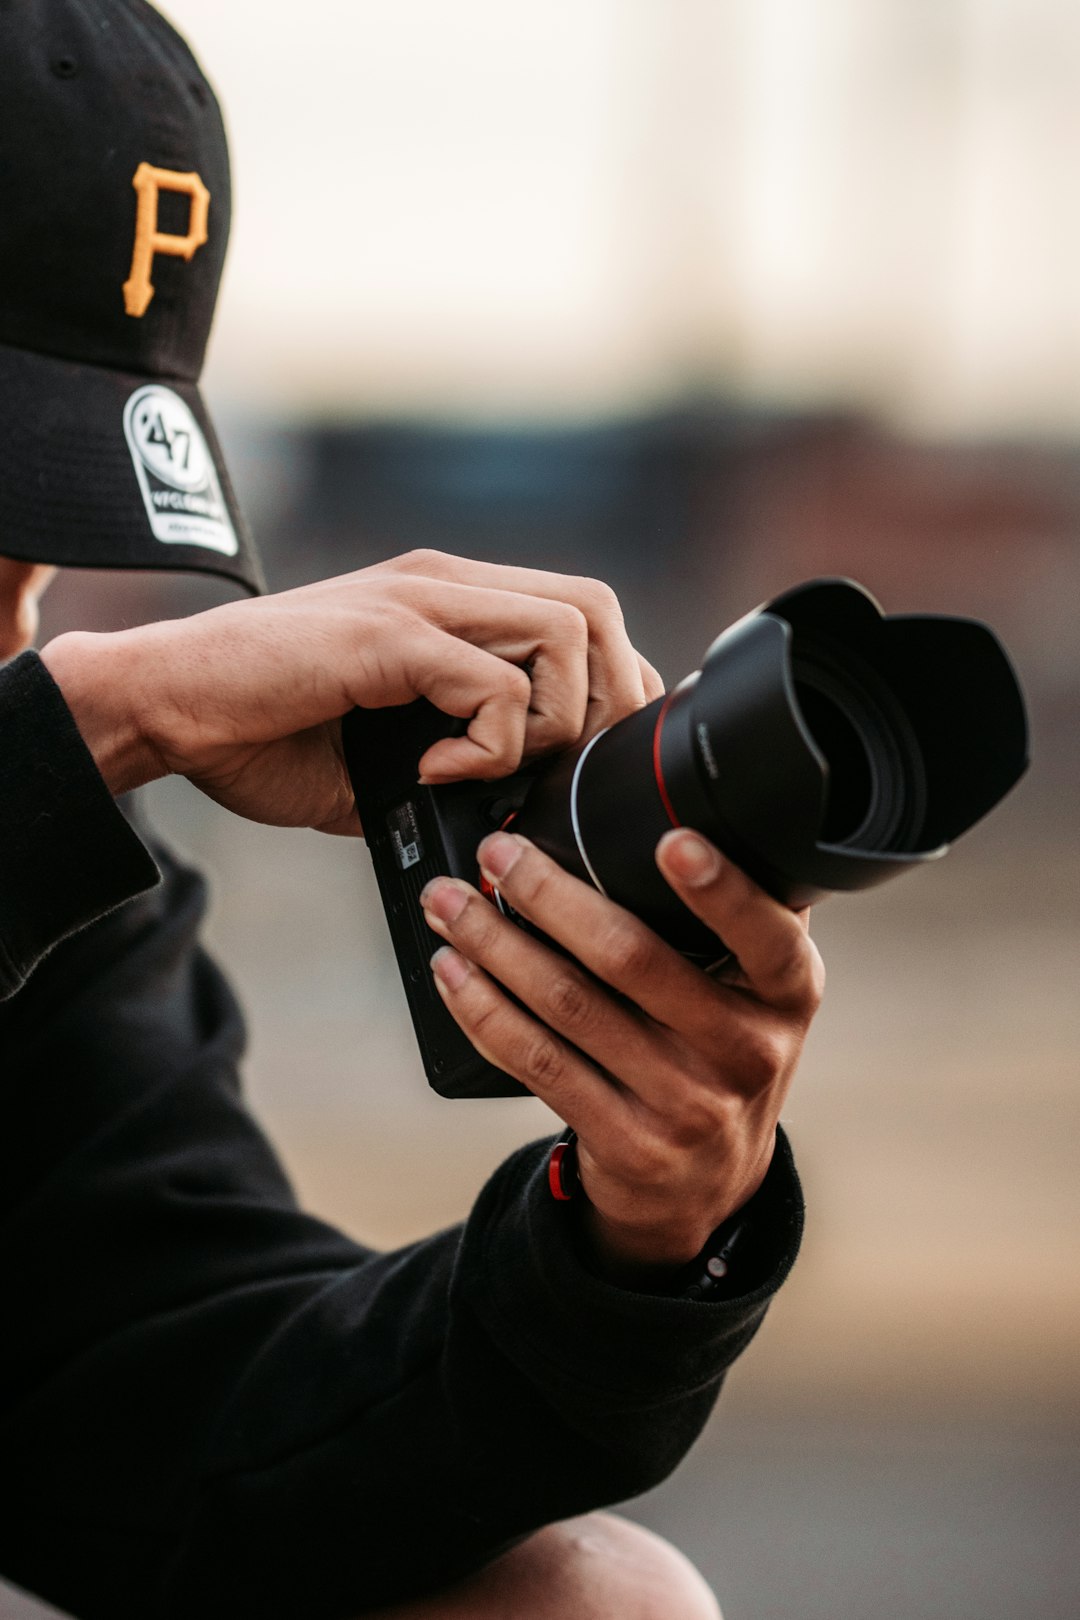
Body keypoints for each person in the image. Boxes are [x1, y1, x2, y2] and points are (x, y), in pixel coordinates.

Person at [0, 4, 821, 1617]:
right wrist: (107, 719)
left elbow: (196, 1451)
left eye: (35, 523)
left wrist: (633, 1231)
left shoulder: (61, 871)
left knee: (587, 1599)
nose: (16, 614)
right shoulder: (61, 757)